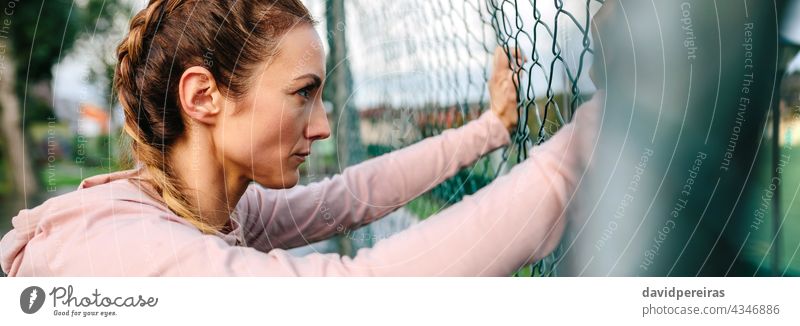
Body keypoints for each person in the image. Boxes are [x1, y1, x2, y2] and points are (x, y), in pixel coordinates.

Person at [0, 0, 602, 276]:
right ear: (203, 96)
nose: (321, 124)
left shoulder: (213, 208)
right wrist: (598, 139)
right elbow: (360, 296)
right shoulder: (129, 253)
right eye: (302, 92)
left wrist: (490, 130)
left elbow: (351, 195)